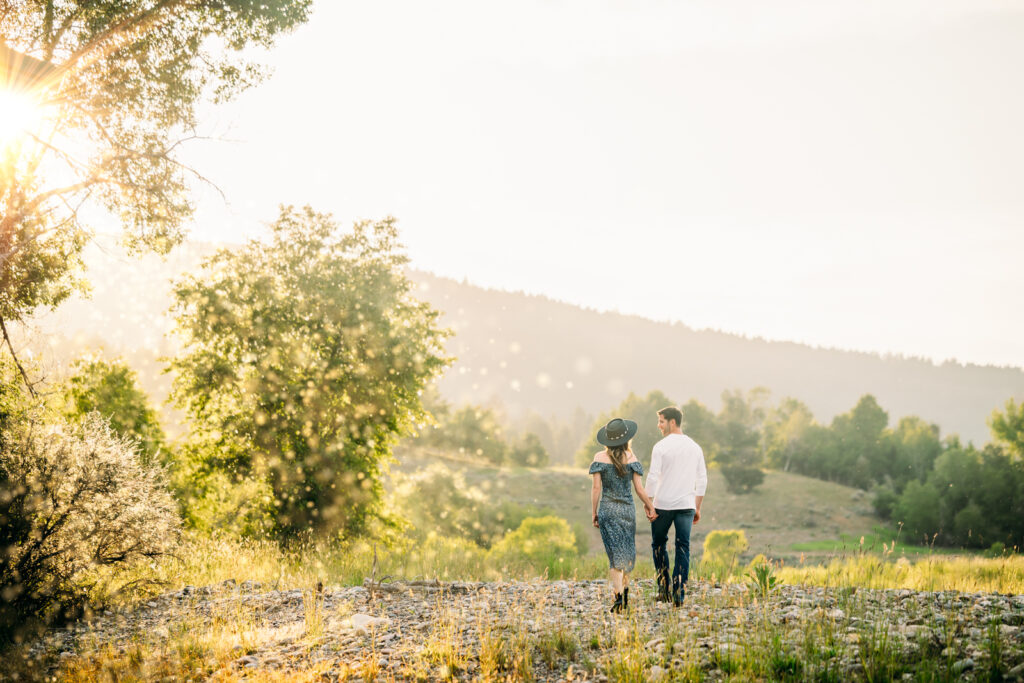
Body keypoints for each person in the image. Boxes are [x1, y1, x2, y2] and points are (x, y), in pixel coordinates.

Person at [589, 417, 658, 613]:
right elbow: (639, 489)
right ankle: (625, 595)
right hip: (627, 511)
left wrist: (594, 512)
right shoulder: (632, 458)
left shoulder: (599, 458)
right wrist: (651, 507)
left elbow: (596, 489)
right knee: (626, 554)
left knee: (614, 557)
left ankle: (619, 599)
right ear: (626, 438)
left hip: (608, 511)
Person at [645, 405, 708, 607]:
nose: (659, 425)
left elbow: (653, 476)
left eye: (661, 421)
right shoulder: (695, 447)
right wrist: (697, 506)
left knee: (659, 545)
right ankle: (679, 594)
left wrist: (649, 502)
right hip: (686, 506)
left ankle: (663, 590)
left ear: (672, 422)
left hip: (662, 504)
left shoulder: (661, 447)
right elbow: (703, 479)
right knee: (683, 547)